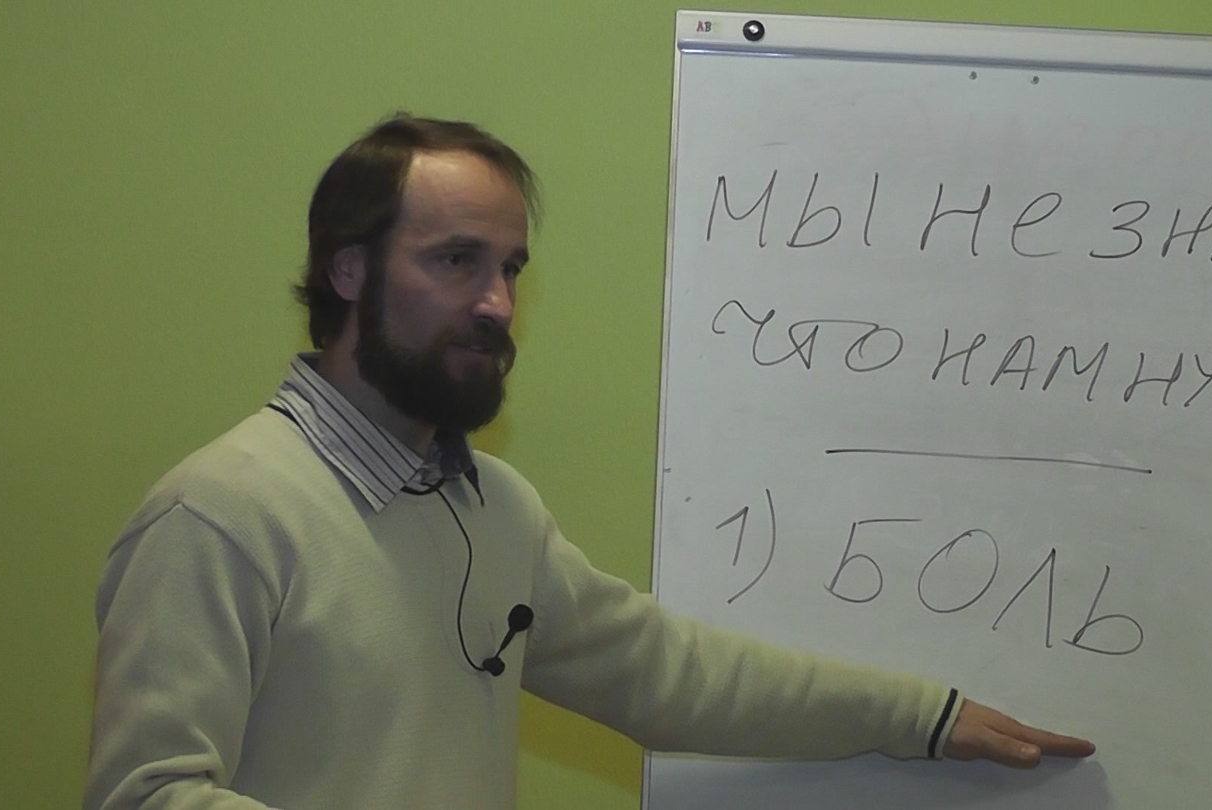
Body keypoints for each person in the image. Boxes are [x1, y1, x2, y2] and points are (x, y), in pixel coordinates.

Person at [84, 114, 1094, 809]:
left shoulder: (492, 509)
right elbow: (147, 793)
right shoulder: (220, 513)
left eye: (509, 268)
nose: (497, 303)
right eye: (456, 260)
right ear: (349, 270)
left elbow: (670, 676)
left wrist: (924, 717)